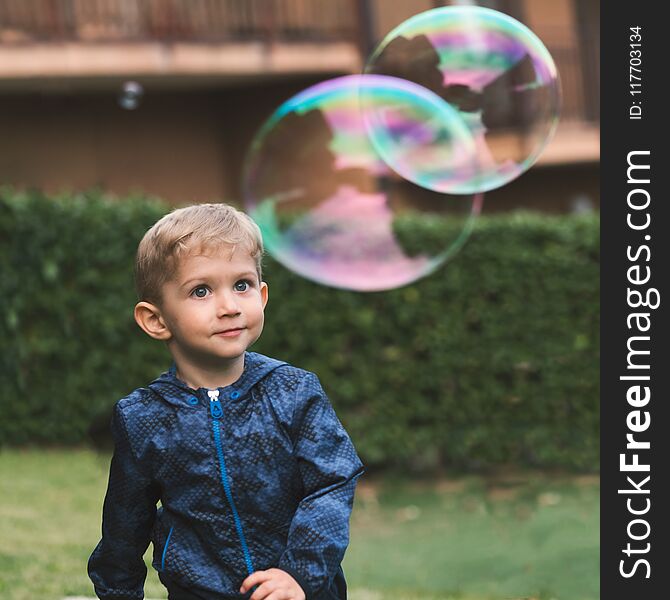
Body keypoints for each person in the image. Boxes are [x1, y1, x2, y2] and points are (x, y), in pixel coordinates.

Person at [88, 203, 364, 600]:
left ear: (262, 294)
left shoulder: (294, 391)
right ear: (156, 320)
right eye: (201, 290)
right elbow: (124, 526)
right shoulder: (143, 418)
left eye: (242, 285)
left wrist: (299, 573)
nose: (230, 306)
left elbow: (332, 483)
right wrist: (117, 592)